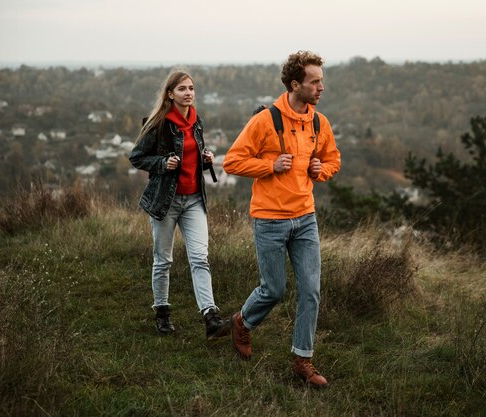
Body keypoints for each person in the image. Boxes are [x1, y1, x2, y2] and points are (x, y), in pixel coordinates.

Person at [223, 51, 341, 388]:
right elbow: (232, 162)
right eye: (314, 81)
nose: (321, 87)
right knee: (273, 290)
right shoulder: (265, 121)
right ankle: (243, 323)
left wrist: (322, 170)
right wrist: (269, 166)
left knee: (311, 291)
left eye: (321, 80)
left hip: (305, 219)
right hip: (270, 220)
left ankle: (302, 359)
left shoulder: (319, 123)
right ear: (295, 84)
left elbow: (331, 160)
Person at [129, 68, 229, 341]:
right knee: (163, 260)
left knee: (200, 258)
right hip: (166, 202)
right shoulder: (159, 123)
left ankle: (210, 316)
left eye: (192, 88)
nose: (189, 93)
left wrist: (205, 158)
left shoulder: (197, 122)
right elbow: (136, 157)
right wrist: (162, 163)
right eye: (183, 89)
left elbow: (194, 154)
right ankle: (162, 312)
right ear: (170, 94)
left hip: (195, 199)